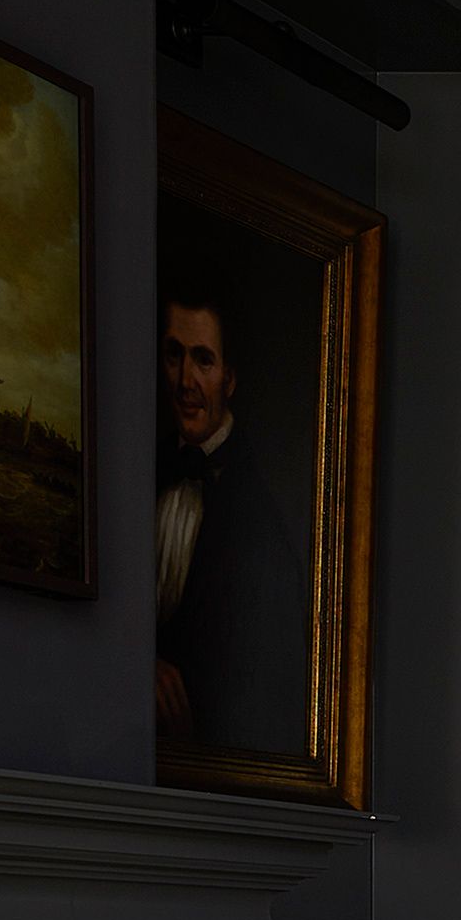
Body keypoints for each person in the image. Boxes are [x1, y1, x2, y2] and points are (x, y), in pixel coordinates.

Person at [155, 281, 307, 751]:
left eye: (203, 360)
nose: (185, 381)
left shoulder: (260, 524)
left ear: (231, 380)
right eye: (174, 354)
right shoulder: (140, 471)